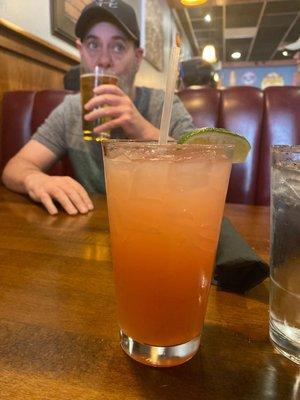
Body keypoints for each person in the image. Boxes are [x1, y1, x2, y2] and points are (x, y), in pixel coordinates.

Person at [1, 0, 195, 216]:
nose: (103, 61)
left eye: (118, 46)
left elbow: (200, 171)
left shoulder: (162, 105)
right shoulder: (72, 110)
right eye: (93, 45)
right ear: (80, 51)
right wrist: (35, 180)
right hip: (92, 228)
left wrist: (142, 129)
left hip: (156, 223)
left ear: (138, 59)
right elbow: (15, 167)